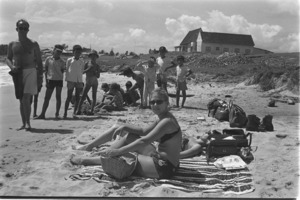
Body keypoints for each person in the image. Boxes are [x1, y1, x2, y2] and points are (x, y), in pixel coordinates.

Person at [71, 88, 182, 179]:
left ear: (167, 103)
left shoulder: (167, 122)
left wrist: (118, 151)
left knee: (123, 159)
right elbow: (143, 131)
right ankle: (104, 154)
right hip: (161, 158)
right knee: (129, 137)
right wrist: (125, 126)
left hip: (164, 168)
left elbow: (144, 141)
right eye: (152, 102)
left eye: (159, 101)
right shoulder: (162, 118)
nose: (155, 105)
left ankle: (90, 160)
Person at [6, 19, 43, 130]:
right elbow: (8, 58)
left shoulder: (33, 44)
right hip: (17, 73)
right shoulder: (12, 44)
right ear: (16, 29)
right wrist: (12, 67)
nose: (23, 30)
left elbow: (40, 62)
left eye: (25, 28)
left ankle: (28, 123)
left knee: (27, 98)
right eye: (21, 28)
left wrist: (40, 78)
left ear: (28, 30)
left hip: (31, 71)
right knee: (21, 99)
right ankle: (23, 123)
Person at [34, 44, 65, 119]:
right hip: (50, 80)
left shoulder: (62, 61)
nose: (58, 53)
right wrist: (46, 81)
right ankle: (42, 114)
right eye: (57, 51)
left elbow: (62, 71)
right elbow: (46, 70)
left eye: (60, 52)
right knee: (47, 98)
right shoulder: (48, 59)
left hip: (59, 80)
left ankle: (57, 114)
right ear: (54, 51)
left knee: (58, 97)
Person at [63, 45, 85, 118]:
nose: (78, 53)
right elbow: (67, 69)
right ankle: (65, 113)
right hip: (71, 80)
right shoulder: (69, 60)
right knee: (69, 97)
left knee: (77, 97)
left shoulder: (82, 61)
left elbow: (82, 70)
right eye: (76, 52)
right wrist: (67, 79)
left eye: (79, 52)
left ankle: (74, 112)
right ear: (73, 52)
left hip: (79, 80)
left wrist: (81, 79)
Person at [76, 50, 101, 115]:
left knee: (94, 96)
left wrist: (95, 73)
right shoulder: (87, 63)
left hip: (94, 81)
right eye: (92, 56)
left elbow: (98, 76)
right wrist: (89, 69)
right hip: (88, 80)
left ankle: (92, 110)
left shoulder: (97, 66)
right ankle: (78, 110)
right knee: (83, 96)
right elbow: (83, 72)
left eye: (94, 56)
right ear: (90, 57)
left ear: (96, 57)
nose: (93, 57)